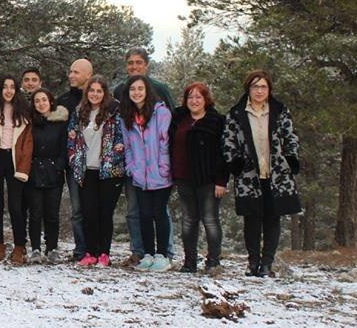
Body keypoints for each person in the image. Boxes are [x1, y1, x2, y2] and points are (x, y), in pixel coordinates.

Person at [223, 70, 301, 278]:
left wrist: (291, 158)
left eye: (263, 86)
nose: (259, 90)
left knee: (273, 219)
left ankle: (267, 262)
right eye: (255, 86)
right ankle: (253, 262)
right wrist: (234, 163)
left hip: (277, 175)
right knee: (252, 220)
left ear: (269, 89)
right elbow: (228, 141)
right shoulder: (237, 113)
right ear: (248, 89)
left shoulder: (279, 110)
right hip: (249, 175)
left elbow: (291, 136)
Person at [113, 47, 175, 266]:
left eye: (138, 62)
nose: (134, 66)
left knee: (160, 212)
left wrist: (165, 166)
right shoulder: (122, 98)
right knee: (139, 212)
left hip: (159, 170)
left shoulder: (161, 98)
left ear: (146, 65)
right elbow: (126, 142)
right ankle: (142, 252)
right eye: (130, 63)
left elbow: (168, 137)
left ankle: (165, 254)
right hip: (138, 171)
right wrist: (131, 166)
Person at [67, 75, 125, 267]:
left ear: (105, 93)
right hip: (86, 170)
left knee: (104, 213)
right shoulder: (79, 112)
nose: (95, 94)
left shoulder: (114, 111)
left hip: (109, 170)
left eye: (99, 91)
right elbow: (72, 138)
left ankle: (104, 254)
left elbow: (120, 138)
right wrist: (74, 160)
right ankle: (90, 252)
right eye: (91, 90)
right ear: (87, 92)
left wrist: (114, 158)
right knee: (89, 213)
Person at [169, 82, 227, 274]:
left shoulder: (216, 121)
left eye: (198, 97)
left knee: (210, 220)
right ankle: (189, 262)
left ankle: (213, 261)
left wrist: (221, 180)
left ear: (206, 100)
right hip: (184, 178)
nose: (194, 101)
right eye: (190, 97)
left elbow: (223, 153)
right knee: (188, 221)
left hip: (209, 180)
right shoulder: (179, 119)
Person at [0, 75, 33, 265]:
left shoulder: (24, 113)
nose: (8, 91)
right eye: (5, 87)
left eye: (12, 87)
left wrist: (24, 166)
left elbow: (27, 143)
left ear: (16, 90)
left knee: (16, 206)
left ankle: (19, 246)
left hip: (15, 160)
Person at [57, 58, 93, 260]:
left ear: (88, 74)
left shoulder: (99, 98)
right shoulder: (63, 101)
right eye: (70, 71)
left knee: (94, 208)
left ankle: (96, 249)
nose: (71, 75)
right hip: (72, 165)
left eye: (76, 72)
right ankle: (81, 250)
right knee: (77, 209)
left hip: (95, 164)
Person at [28, 88, 68, 263]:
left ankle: (52, 248)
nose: (41, 103)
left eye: (44, 100)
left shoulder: (60, 123)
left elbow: (65, 147)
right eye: (37, 101)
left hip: (54, 172)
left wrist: (59, 166)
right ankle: (35, 248)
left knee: (52, 213)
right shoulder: (30, 122)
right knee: (35, 213)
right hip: (34, 171)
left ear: (51, 101)